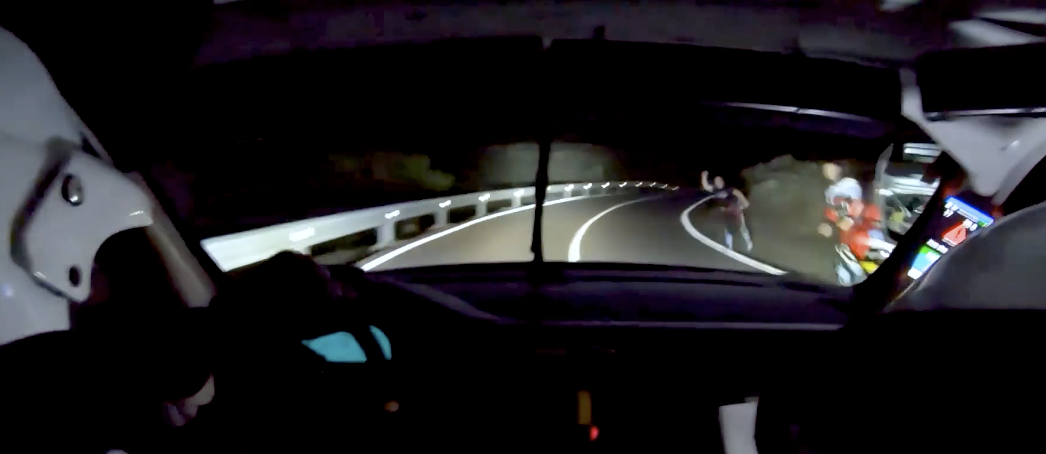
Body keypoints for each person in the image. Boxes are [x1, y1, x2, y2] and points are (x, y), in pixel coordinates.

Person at [701, 170, 753, 252]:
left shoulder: (729, 189)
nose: (719, 182)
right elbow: (706, 186)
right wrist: (704, 177)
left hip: (735, 209)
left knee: (742, 227)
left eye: (720, 180)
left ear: (723, 182)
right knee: (728, 228)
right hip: (726, 211)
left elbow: (738, 193)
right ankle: (729, 245)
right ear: (715, 183)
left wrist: (745, 202)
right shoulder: (714, 190)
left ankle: (748, 242)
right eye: (717, 181)